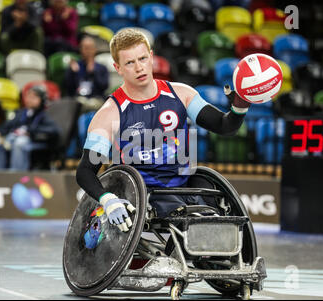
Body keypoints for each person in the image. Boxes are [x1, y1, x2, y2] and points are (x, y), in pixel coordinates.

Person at [75, 28, 250, 232]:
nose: (139, 67)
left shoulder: (182, 94)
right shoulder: (109, 113)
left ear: (151, 57)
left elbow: (225, 126)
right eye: (130, 63)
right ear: (118, 68)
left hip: (183, 183)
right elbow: (85, 171)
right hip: (142, 192)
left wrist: (240, 107)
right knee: (190, 216)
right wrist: (108, 199)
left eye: (142, 58)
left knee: (213, 198)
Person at [0, 85, 60, 171]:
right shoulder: (21, 113)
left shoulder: (44, 115)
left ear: (41, 100)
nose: (30, 100)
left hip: (34, 141)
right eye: (28, 97)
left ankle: (16, 174)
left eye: (34, 97)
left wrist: (30, 132)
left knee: (20, 143)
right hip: (13, 138)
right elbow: (7, 125)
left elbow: (54, 131)